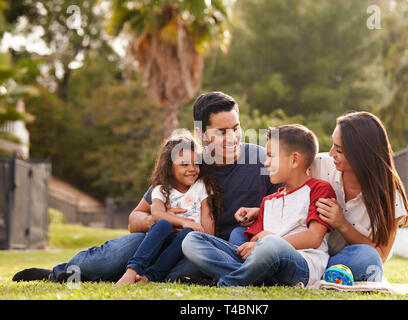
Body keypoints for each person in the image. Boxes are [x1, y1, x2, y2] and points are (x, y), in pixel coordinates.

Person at [12, 91, 281, 283]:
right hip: (166, 238)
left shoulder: (262, 161)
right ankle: (60, 273)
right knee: (113, 256)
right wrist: (170, 221)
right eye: (222, 132)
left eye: (236, 128)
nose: (233, 137)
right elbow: (134, 219)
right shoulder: (187, 163)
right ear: (201, 134)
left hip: (214, 251)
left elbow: (283, 210)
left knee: (183, 273)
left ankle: (139, 275)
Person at [228, 111, 408, 283]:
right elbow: (292, 192)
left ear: (361, 154)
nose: (331, 153)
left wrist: (342, 224)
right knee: (239, 233)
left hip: (343, 260)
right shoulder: (320, 164)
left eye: (339, 150)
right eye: (333, 145)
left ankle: (309, 273)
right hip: (305, 250)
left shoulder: (390, 196)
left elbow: (381, 255)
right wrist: (262, 212)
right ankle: (283, 270)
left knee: (368, 258)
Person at [182, 124, 337, 287]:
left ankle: (231, 282)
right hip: (263, 261)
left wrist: (267, 240)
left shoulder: (319, 188)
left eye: (271, 156)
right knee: (192, 240)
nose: (266, 162)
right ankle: (256, 279)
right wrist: (257, 241)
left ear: (294, 160)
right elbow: (255, 239)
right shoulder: (268, 201)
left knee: (271, 244)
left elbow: (314, 237)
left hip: (301, 264)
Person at [116, 132, 220, 285]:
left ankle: (150, 277)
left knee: (188, 233)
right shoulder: (161, 189)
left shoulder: (201, 186)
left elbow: (208, 216)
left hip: (187, 243)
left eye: (196, 163)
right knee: (163, 224)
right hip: (164, 238)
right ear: (169, 167)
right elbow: (157, 213)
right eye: (184, 164)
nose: (192, 169)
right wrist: (183, 222)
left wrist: (208, 241)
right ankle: (132, 271)